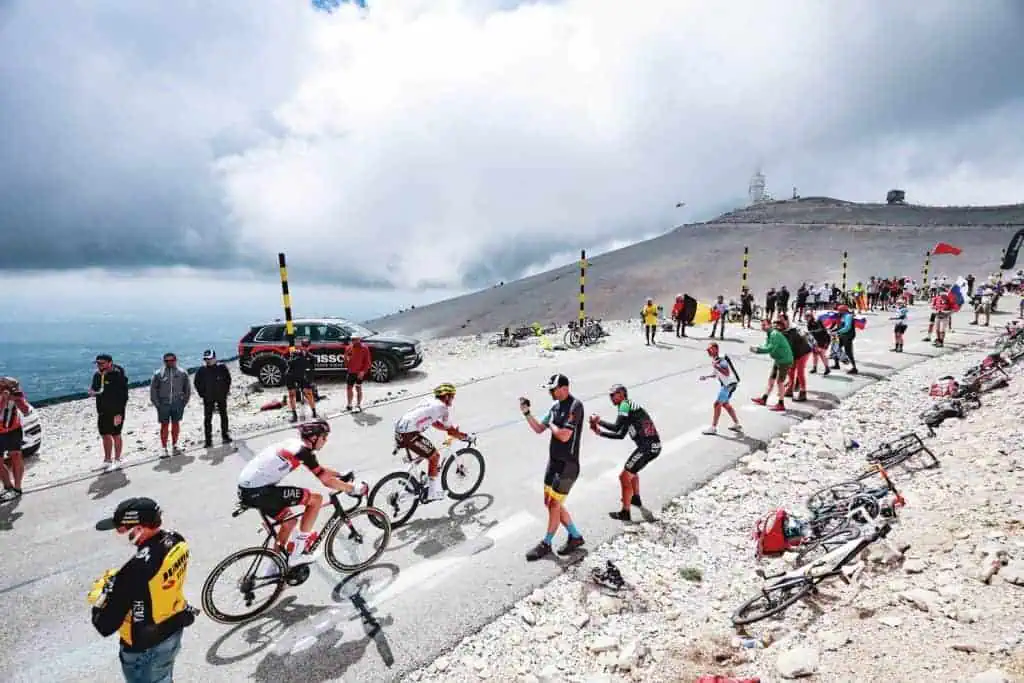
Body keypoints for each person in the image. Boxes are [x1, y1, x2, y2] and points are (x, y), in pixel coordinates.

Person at [237, 419, 368, 574]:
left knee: (289, 522)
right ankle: (298, 554)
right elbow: (325, 480)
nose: (325, 441)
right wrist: (352, 489)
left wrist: (340, 475)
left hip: (248, 490)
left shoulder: (295, 445)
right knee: (316, 500)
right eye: (324, 437)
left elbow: (319, 470)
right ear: (313, 438)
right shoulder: (303, 451)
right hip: (260, 491)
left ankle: (273, 569)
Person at [90, 497, 197, 683]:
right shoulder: (176, 540)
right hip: (174, 627)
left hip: (144, 647)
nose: (119, 533)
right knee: (163, 677)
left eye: (122, 529)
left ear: (139, 529)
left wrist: (102, 597)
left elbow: (105, 625)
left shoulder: (134, 571)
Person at [519, 373, 585, 561]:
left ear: (565, 387)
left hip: (568, 465)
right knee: (550, 503)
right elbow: (540, 428)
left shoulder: (575, 406)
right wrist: (526, 413)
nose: (551, 393)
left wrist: (553, 424)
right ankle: (575, 536)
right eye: (549, 390)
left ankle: (546, 544)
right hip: (553, 463)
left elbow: (564, 435)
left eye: (553, 389)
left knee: (555, 504)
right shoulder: (555, 407)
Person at [589, 384, 660, 522]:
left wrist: (599, 421)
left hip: (648, 446)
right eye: (609, 395)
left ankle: (625, 512)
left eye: (613, 395)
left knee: (624, 476)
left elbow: (616, 428)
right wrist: (600, 433)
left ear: (622, 394)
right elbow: (621, 434)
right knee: (631, 472)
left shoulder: (625, 405)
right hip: (651, 446)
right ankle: (636, 499)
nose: (611, 398)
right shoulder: (629, 411)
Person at [393, 383, 471, 503]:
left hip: (400, 429)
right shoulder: (442, 408)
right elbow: (451, 431)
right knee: (435, 456)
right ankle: (432, 493)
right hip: (409, 433)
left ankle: (409, 480)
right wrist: (465, 437)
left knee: (424, 453)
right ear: (446, 396)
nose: (453, 399)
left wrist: (448, 430)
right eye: (452, 396)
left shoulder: (429, 401)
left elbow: (433, 422)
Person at [90, 354, 130, 473]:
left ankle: (118, 460)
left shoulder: (118, 375)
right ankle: (107, 460)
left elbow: (124, 396)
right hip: (102, 410)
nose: (99, 365)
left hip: (116, 411)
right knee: (105, 434)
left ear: (110, 363)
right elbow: (95, 388)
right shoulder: (97, 375)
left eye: (101, 363)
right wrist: (92, 392)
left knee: (116, 434)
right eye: (97, 363)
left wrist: (119, 413)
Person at [149, 353, 191, 458]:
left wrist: (183, 403)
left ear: (175, 360)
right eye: (166, 361)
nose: (169, 363)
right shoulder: (158, 374)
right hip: (163, 404)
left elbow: (187, 389)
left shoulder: (182, 373)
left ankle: (175, 445)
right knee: (164, 425)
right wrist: (158, 405)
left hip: (177, 403)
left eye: (171, 360)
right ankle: (163, 448)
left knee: (176, 424)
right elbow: (153, 391)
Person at [749, 318, 793, 412]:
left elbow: (770, 349)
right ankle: (764, 399)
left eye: (764, 325)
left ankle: (781, 404)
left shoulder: (774, 334)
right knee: (771, 380)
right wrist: (758, 348)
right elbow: (765, 345)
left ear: (770, 325)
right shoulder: (769, 334)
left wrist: (758, 350)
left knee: (780, 382)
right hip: (778, 360)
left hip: (784, 361)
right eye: (762, 325)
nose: (762, 327)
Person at [699, 343, 742, 435]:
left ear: (716, 349)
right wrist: (706, 376)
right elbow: (716, 374)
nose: (708, 351)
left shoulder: (721, 359)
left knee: (717, 404)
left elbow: (726, 373)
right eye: (707, 349)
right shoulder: (716, 359)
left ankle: (713, 428)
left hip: (728, 385)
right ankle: (737, 424)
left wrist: (716, 366)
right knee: (725, 404)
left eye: (710, 349)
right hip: (729, 384)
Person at [193, 349, 232, 448]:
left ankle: (225, 436)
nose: (207, 361)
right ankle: (208, 441)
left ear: (215, 358)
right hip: (208, 398)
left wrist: (225, 392)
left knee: (223, 415)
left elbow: (228, 380)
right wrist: (202, 394)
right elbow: (196, 383)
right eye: (206, 359)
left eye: (209, 359)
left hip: (221, 397)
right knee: (207, 419)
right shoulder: (201, 370)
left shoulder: (222, 368)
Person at [0, 377, 31, 500]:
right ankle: (8, 486)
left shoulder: (16, 393)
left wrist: (17, 398)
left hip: (13, 429)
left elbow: (25, 410)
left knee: (16, 456)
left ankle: (17, 489)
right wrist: (4, 399)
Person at [777, 314, 812, 402]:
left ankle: (803, 392)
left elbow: (789, 348)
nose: (780, 323)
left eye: (781, 321)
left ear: (786, 321)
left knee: (800, 372)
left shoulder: (791, 331)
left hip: (803, 352)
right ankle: (790, 389)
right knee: (791, 370)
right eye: (779, 321)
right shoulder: (783, 331)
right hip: (796, 352)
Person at [285, 338, 317, 423]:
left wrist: (310, 380)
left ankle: (314, 412)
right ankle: (294, 414)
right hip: (291, 375)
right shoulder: (295, 353)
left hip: (302, 376)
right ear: (301, 346)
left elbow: (312, 370)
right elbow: (289, 363)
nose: (305, 347)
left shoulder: (311, 357)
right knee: (292, 395)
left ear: (309, 346)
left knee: (309, 393)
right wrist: (298, 358)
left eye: (306, 346)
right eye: (303, 345)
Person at [343, 335, 372, 412]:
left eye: (355, 339)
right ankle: (349, 404)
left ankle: (358, 405)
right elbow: (345, 362)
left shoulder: (364, 348)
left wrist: (363, 371)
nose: (353, 341)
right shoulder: (348, 348)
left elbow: (368, 362)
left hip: (359, 372)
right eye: (352, 339)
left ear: (359, 339)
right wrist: (346, 359)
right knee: (349, 388)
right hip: (351, 371)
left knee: (358, 388)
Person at [834, 304, 859, 373]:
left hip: (847, 336)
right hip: (842, 335)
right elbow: (840, 326)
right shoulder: (843, 316)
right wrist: (834, 330)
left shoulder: (848, 316)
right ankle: (836, 365)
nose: (838, 312)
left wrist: (838, 331)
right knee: (836, 348)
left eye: (839, 311)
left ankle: (854, 368)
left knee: (848, 352)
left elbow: (847, 327)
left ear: (843, 311)